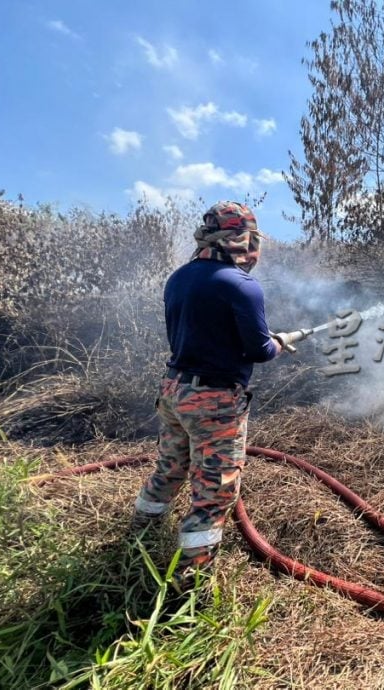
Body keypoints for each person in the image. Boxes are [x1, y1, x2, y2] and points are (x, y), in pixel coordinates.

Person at [131, 200, 288, 584]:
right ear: (240, 239)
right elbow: (258, 350)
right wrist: (278, 342)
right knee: (214, 491)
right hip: (213, 401)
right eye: (251, 240)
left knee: (170, 468)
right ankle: (190, 583)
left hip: (174, 390)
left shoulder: (179, 278)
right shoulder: (241, 286)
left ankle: (139, 537)